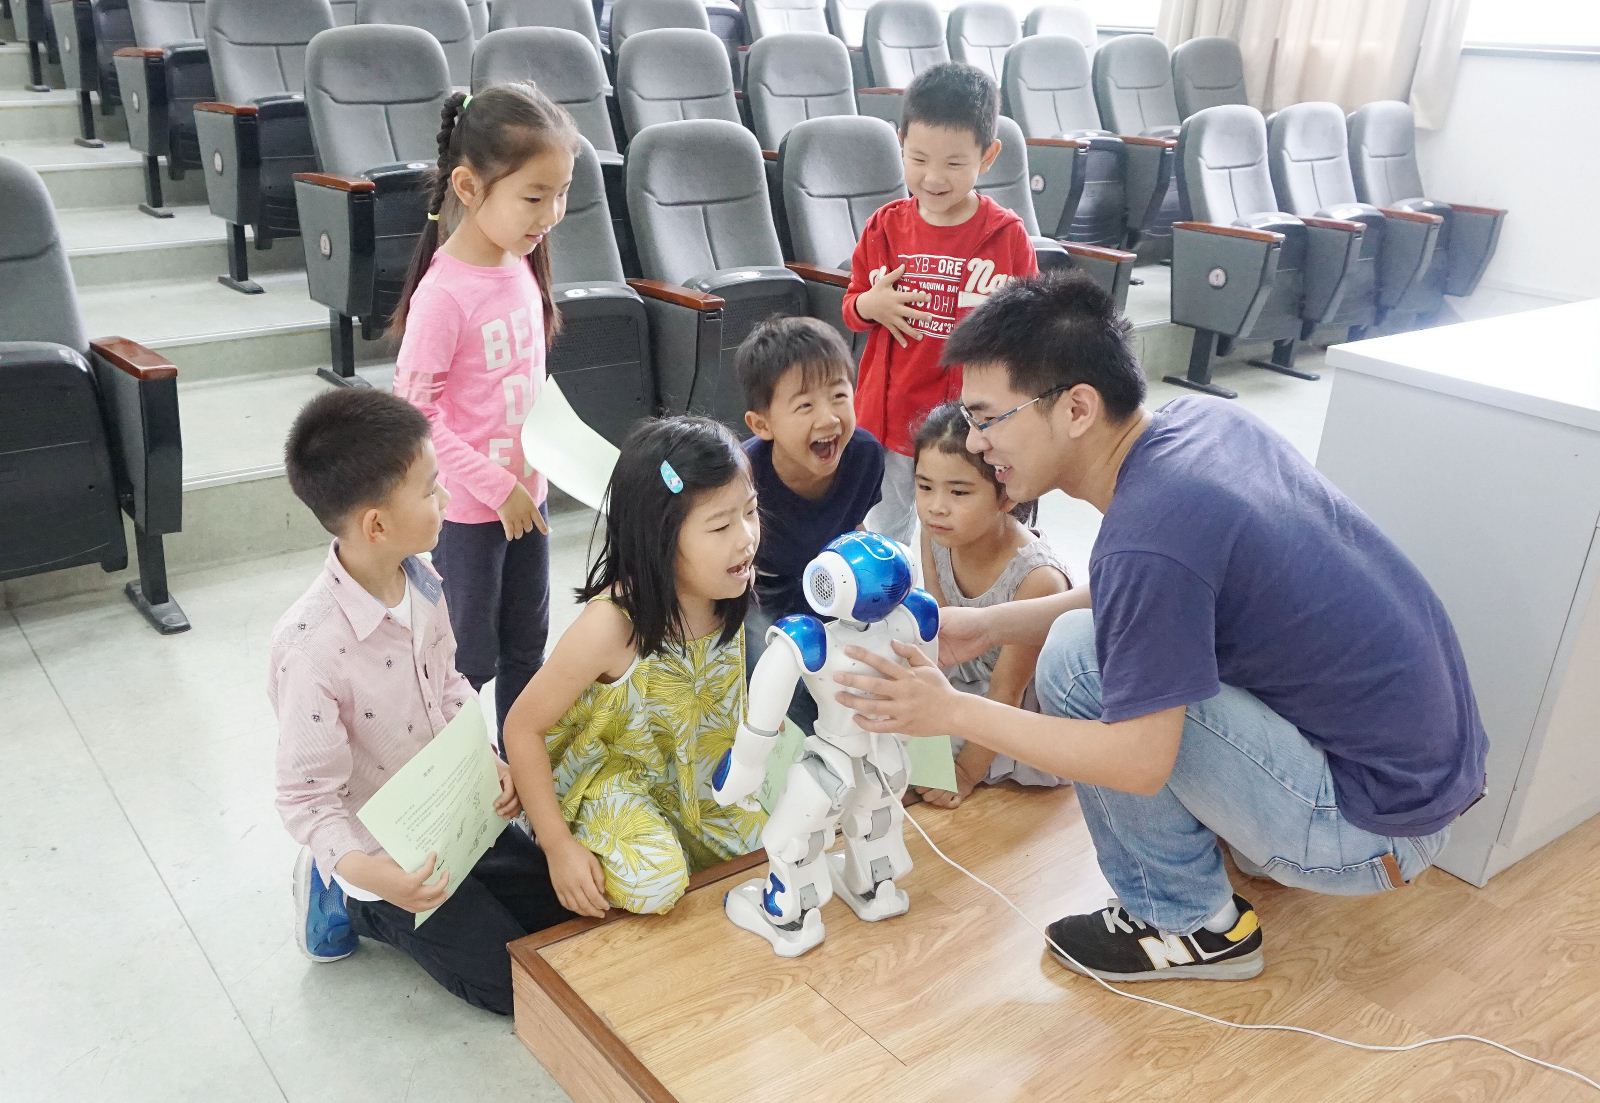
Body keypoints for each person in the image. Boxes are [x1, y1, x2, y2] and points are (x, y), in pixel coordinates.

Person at [833, 272, 1488, 983]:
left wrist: (954, 711)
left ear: (1077, 408)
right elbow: (1151, 597)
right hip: (1419, 782)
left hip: (1369, 829)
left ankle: (1188, 922)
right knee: (1094, 644)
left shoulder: (1146, 539)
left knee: (1077, 664)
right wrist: (993, 624)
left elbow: (1137, 760)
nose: (976, 441)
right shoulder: (1203, 426)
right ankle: (1240, 835)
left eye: (988, 418)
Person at [271, 389, 569, 1016]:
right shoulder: (310, 651)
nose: (448, 499)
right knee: (511, 986)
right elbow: (306, 799)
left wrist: (487, 760)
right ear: (376, 525)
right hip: (385, 855)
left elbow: (450, 685)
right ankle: (344, 898)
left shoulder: (424, 581)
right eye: (432, 489)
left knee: (567, 911)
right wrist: (373, 877)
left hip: (456, 813)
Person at [501, 418, 769, 919]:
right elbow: (521, 727)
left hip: (696, 778)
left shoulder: (727, 587)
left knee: (776, 848)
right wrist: (558, 847)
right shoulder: (610, 625)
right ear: (660, 537)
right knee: (656, 883)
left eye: (751, 511)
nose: (746, 538)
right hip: (610, 780)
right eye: (720, 526)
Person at [390, 82, 578, 737]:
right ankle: (465, 779)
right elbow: (415, 417)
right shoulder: (444, 295)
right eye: (534, 196)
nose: (551, 214)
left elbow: (521, 382)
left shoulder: (519, 263)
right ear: (469, 187)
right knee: (467, 661)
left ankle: (518, 762)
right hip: (473, 514)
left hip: (528, 498)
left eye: (562, 193)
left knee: (528, 646)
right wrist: (498, 487)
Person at [843, 61, 1039, 546]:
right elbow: (851, 307)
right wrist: (869, 306)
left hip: (970, 425)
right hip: (891, 418)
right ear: (900, 142)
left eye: (954, 163)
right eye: (918, 158)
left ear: (988, 156)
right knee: (887, 529)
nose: (933, 177)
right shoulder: (884, 228)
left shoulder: (1006, 236)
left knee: (958, 528)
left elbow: (1033, 324)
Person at [909, 402, 1071, 808]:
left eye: (959, 492)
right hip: (964, 678)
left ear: (1006, 494)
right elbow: (940, 632)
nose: (936, 506)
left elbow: (1007, 691)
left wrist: (964, 772)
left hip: (1013, 707)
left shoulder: (1038, 578)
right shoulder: (936, 534)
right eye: (925, 486)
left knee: (911, 760)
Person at [737, 315, 885, 728]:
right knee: (775, 679)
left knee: (862, 663)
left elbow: (854, 528)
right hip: (758, 589)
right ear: (762, 424)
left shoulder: (865, 456)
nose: (828, 418)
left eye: (838, 395)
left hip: (827, 580)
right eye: (805, 405)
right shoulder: (743, 475)